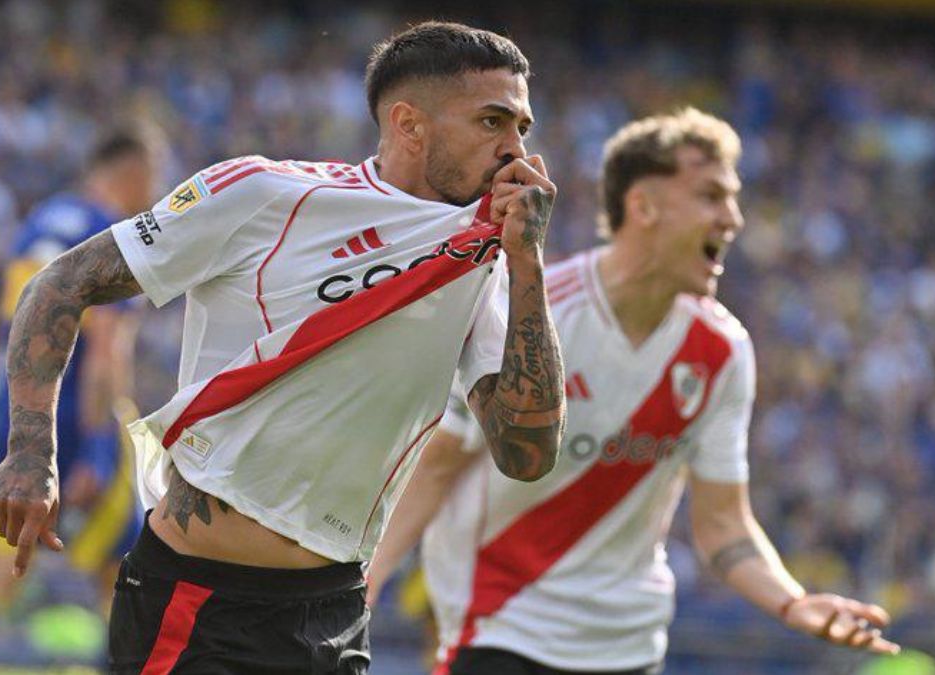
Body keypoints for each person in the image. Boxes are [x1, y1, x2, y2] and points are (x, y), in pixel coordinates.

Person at [0, 22, 567, 675]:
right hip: (201, 597)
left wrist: (527, 267)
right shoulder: (266, 194)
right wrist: (32, 453)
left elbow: (526, 451)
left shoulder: (485, 262)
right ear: (409, 125)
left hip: (335, 612)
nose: (516, 149)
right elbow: (61, 282)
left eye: (522, 126)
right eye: (493, 121)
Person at [367, 108, 902, 675]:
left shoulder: (721, 349)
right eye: (711, 196)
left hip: (630, 644)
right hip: (499, 627)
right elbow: (438, 467)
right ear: (643, 206)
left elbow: (723, 524)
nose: (734, 218)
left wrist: (792, 601)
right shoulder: (534, 314)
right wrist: (367, 582)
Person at [0, 129, 158, 673]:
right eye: (155, 174)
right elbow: (104, 349)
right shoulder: (113, 233)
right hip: (83, 421)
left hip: (17, 422)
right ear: (133, 170)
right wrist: (97, 449)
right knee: (125, 577)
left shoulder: (36, 224)